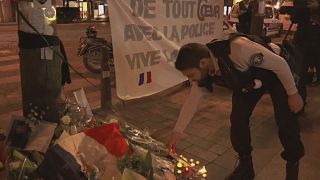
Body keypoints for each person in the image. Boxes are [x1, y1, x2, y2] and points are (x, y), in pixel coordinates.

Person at [167, 35, 305, 180]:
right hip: (250, 81)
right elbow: (192, 101)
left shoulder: (238, 50)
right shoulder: (205, 68)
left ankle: (292, 170)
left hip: (276, 73)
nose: (191, 80)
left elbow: (280, 64)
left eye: (191, 74)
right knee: (238, 120)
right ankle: (246, 169)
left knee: (286, 122)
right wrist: (177, 133)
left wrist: (293, 93)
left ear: (202, 63)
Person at [291, 0, 320, 107]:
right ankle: (300, 105)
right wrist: (306, 8)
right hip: (303, 42)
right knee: (300, 76)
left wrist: (317, 6)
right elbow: (294, 18)